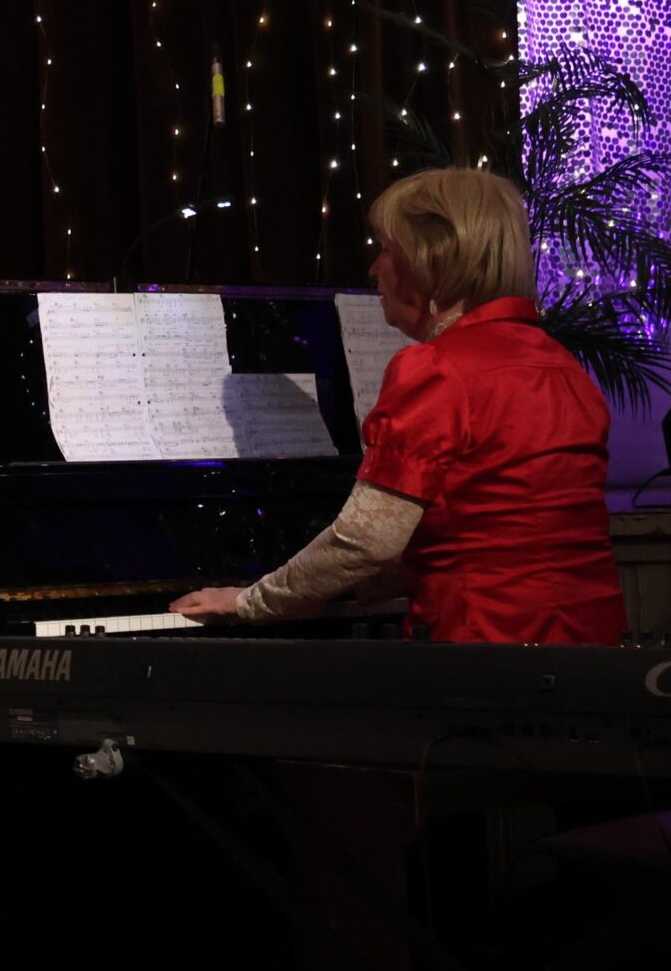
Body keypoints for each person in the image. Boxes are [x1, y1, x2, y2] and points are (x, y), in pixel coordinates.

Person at [173, 167, 625, 644]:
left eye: (387, 248)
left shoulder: (435, 369)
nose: (374, 267)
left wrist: (251, 601)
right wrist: (372, 581)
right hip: (594, 649)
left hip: (487, 656)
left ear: (430, 258)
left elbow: (363, 542)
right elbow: (506, 529)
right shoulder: (562, 366)